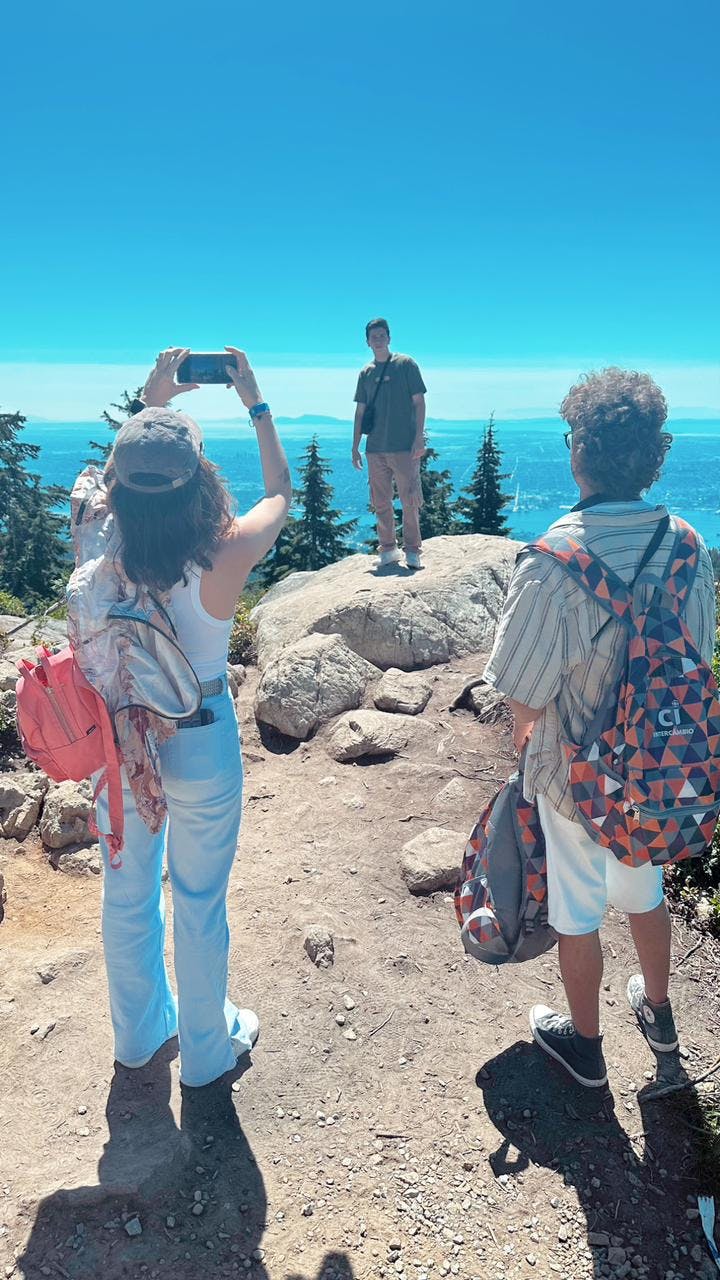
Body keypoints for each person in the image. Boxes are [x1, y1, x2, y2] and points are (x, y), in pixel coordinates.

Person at [482, 368, 716, 1088]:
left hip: (576, 774)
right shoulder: (688, 547)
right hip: (660, 767)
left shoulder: (553, 561)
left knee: (577, 907)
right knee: (643, 887)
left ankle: (586, 1050)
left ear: (578, 452)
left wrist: (528, 739)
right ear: (655, 457)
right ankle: (659, 1014)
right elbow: (700, 656)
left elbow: (522, 691)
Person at [89, 347, 292, 1088]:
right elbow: (281, 490)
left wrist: (152, 404)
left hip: (122, 737)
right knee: (199, 902)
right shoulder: (224, 550)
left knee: (128, 895)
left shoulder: (100, 534)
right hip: (202, 734)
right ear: (200, 478)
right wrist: (255, 402)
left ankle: (138, 1036)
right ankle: (207, 1054)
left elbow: (115, 479)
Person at [352, 317, 427, 569]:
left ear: (389, 338)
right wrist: (355, 446)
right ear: (367, 342)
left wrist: (419, 437)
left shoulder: (405, 365)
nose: (378, 340)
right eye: (374, 336)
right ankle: (388, 549)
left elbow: (419, 402)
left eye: (382, 335)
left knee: (410, 499)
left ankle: (413, 550)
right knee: (380, 501)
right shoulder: (366, 373)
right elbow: (360, 412)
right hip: (375, 447)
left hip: (404, 445)